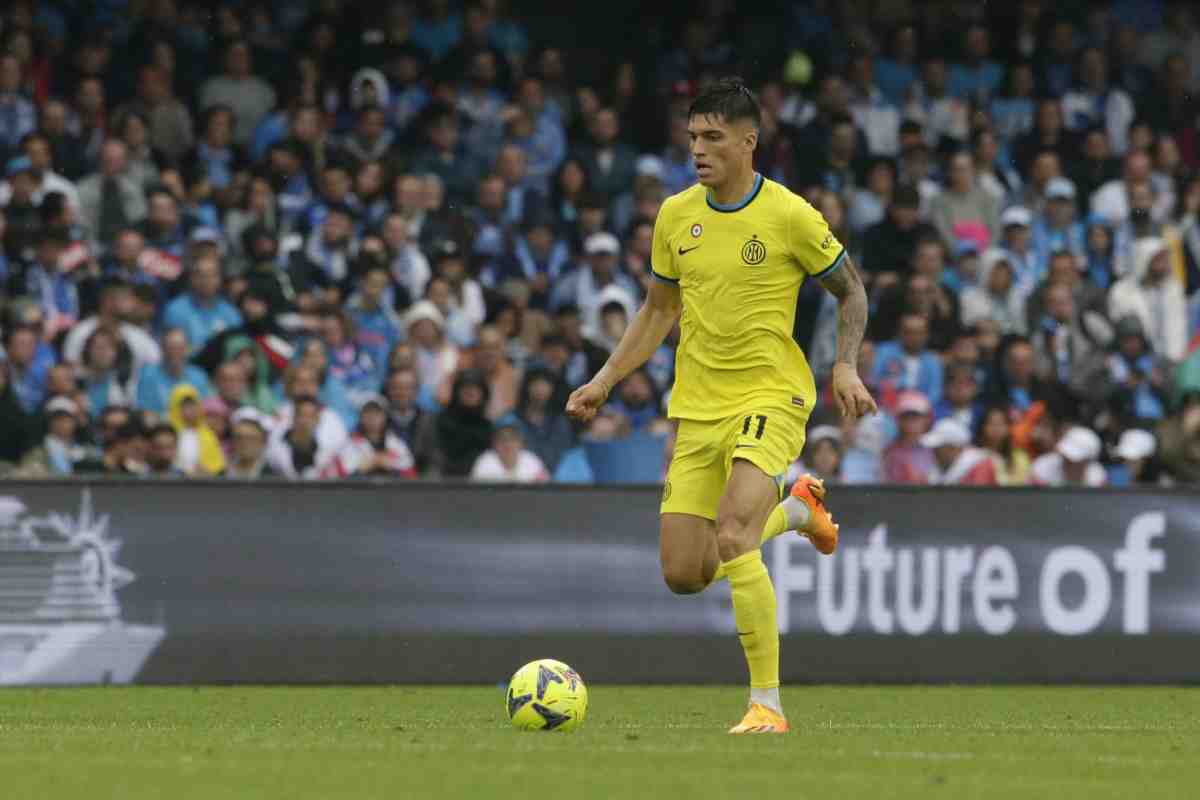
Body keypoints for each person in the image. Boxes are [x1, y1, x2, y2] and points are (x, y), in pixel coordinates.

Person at [565, 79, 875, 734]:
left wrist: (844, 364)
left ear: (748, 141)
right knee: (686, 572)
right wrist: (604, 380)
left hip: (771, 394)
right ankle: (798, 510)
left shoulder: (790, 215)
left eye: (712, 137)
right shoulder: (676, 216)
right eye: (692, 138)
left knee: (733, 532)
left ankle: (767, 705)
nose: (698, 150)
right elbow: (658, 310)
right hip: (698, 405)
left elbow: (851, 291)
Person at [323, 395, 417, 479]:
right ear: (360, 417)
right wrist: (365, 466)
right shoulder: (348, 444)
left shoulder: (396, 443)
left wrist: (390, 465)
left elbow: (410, 474)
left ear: (385, 416)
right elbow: (337, 476)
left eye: (377, 413)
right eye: (368, 413)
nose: (372, 417)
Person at [921, 417, 997, 485]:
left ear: (953, 448)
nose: (934, 452)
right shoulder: (938, 468)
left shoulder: (981, 465)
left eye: (938, 447)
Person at [470, 418, 550, 482]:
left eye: (513, 438)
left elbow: (545, 490)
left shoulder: (531, 461)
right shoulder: (485, 462)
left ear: (521, 443)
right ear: (494, 443)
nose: (508, 444)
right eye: (502, 439)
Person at [1030, 425, 1107, 487]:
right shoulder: (1042, 466)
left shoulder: (1097, 475)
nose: (1067, 461)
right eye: (1065, 456)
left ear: (1088, 461)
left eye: (1073, 460)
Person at [221, 408, 278, 479]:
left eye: (251, 438)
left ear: (263, 440)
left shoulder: (273, 475)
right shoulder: (222, 472)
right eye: (239, 438)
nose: (244, 443)